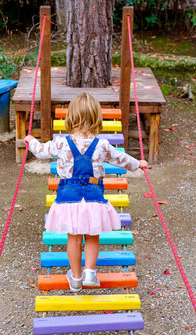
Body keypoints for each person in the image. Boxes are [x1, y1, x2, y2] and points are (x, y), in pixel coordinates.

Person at [25, 92, 148, 292]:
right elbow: (121, 159)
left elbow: (41, 151)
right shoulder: (103, 145)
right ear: (97, 118)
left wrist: (30, 141)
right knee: (92, 236)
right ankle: (90, 272)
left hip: (69, 199)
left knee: (73, 237)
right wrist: (139, 164)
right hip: (93, 198)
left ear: (71, 118)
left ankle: (75, 277)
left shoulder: (62, 143)